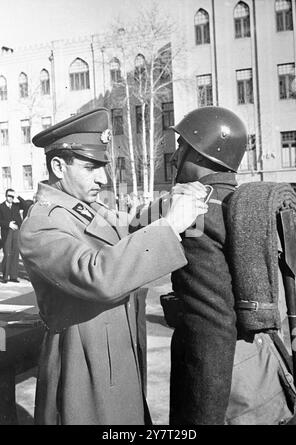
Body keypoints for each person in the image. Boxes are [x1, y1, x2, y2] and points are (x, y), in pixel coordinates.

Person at [19, 107, 209, 425]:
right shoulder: (41, 223)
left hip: (114, 350)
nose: (103, 178)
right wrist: (171, 224)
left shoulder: (86, 207)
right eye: (91, 167)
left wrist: (176, 200)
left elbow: (132, 224)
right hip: (82, 360)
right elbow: (98, 275)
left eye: (103, 166)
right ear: (58, 166)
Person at [168, 106, 248, 425]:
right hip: (250, 368)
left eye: (182, 147)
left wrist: (202, 413)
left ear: (202, 154)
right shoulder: (236, 201)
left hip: (207, 380)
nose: (174, 158)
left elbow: (208, 323)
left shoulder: (195, 210)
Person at [0, 189, 25, 283]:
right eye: (9, 196)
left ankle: (13, 276)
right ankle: (5, 276)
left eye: (12, 196)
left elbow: (25, 205)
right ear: (6, 196)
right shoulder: (1, 207)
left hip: (16, 232)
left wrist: (18, 196)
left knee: (15, 253)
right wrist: (8, 224)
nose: (11, 198)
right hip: (7, 232)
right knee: (7, 253)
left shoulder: (16, 205)